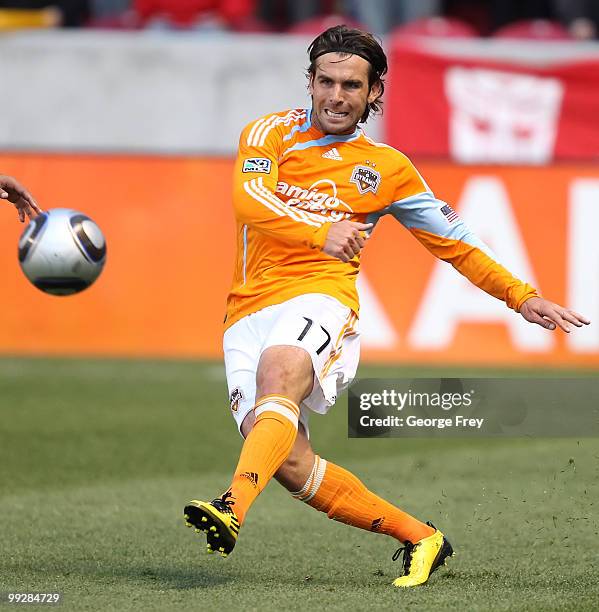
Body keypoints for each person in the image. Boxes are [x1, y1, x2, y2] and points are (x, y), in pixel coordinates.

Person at [183, 25, 590, 588]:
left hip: (321, 295)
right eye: (325, 81)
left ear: (375, 93)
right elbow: (247, 200)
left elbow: (457, 241)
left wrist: (521, 296)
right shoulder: (267, 135)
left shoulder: (389, 170)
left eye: (351, 85)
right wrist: (321, 229)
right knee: (288, 461)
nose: (335, 95)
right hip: (246, 308)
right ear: (309, 81)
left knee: (280, 376)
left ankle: (231, 505)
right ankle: (421, 537)